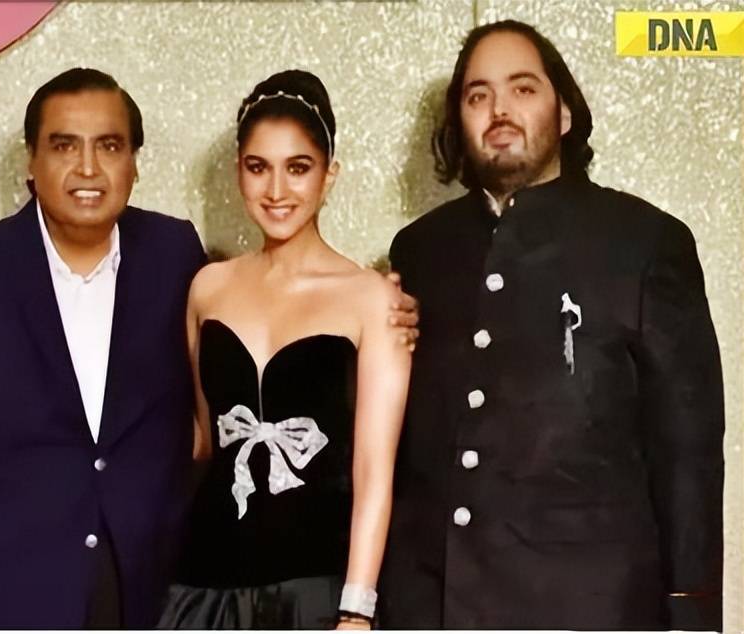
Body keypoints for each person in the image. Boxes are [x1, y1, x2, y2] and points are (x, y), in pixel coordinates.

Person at [380, 20, 724, 631]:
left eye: (523, 88)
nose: (499, 110)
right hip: (434, 607)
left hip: (589, 608)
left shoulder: (645, 242)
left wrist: (692, 612)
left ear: (564, 112)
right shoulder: (420, 251)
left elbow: (687, 453)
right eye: (478, 95)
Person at [0, 68, 205, 629]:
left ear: (134, 162)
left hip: (144, 591)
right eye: (64, 146)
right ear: (32, 162)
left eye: (109, 146)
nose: (88, 168)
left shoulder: (174, 254)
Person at [158, 70, 412, 630]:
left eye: (298, 168)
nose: (276, 191)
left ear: (328, 175)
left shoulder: (372, 298)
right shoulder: (208, 288)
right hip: (204, 583)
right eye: (258, 167)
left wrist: (357, 609)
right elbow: (206, 443)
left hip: (316, 590)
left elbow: (374, 470)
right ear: (238, 172)